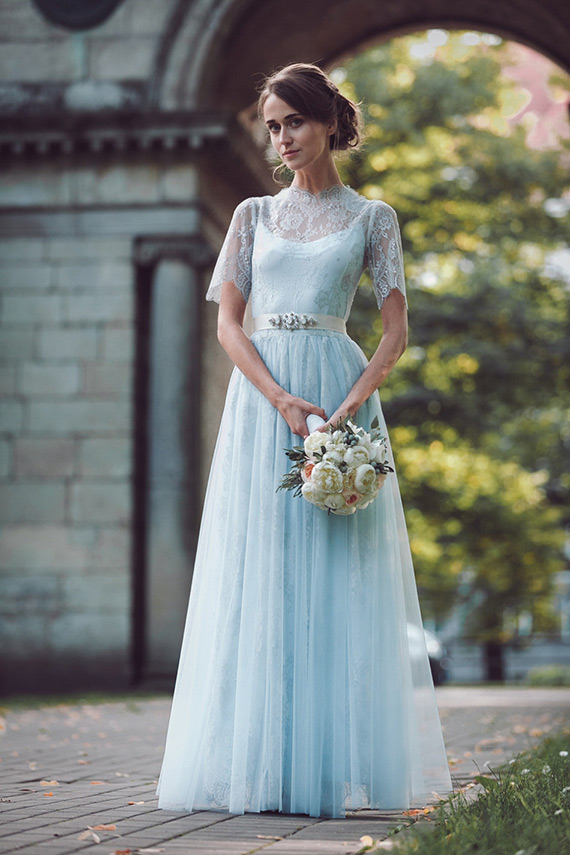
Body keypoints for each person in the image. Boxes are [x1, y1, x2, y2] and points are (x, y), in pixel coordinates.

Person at [156, 62, 452, 819]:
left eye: (294, 122)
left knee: (330, 573)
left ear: (327, 123)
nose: (282, 138)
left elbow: (394, 330)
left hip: (339, 391)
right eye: (273, 125)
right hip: (265, 399)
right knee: (261, 568)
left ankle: (326, 767)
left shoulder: (373, 217)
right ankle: (258, 764)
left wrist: (350, 406)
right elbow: (228, 322)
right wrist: (280, 396)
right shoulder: (252, 215)